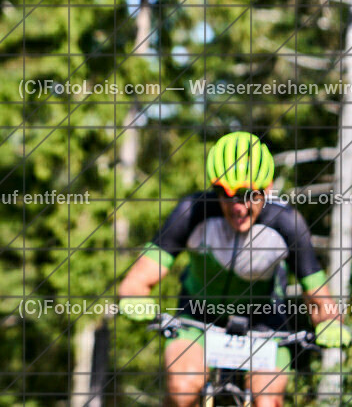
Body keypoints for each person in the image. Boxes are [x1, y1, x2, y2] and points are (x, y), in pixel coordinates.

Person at [118, 131, 350, 407]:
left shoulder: (286, 224)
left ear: (268, 189)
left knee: (268, 399)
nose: (237, 207)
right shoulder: (192, 212)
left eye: (247, 195)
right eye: (224, 193)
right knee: (182, 387)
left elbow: (319, 299)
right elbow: (137, 281)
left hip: (265, 324)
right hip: (198, 320)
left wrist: (330, 324)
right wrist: (134, 299)